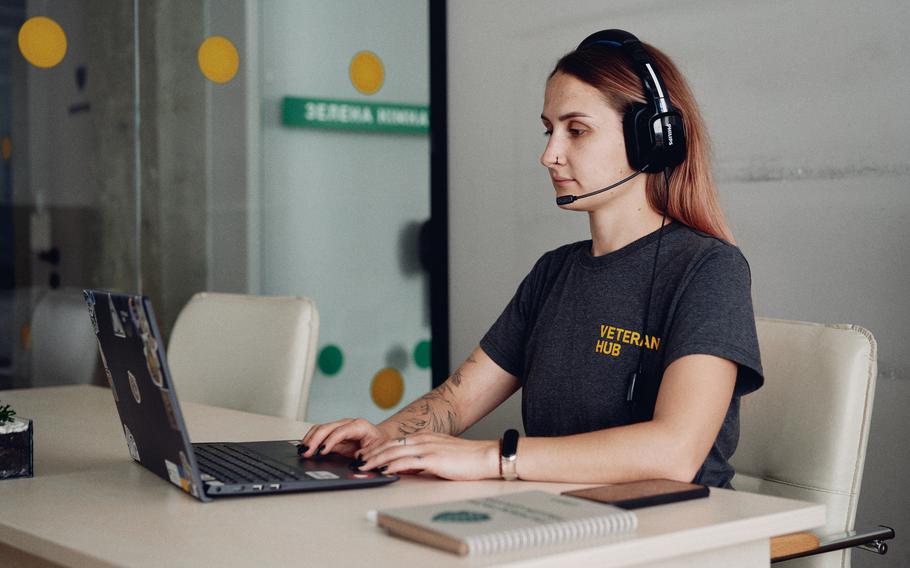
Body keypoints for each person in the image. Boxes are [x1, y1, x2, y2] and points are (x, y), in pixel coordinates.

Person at [301, 30, 763, 489]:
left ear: (650, 140)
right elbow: (457, 402)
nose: (549, 155)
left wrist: (493, 458)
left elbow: (675, 453)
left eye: (576, 130)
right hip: (562, 519)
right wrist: (382, 438)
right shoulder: (554, 272)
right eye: (549, 130)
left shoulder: (709, 270)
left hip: (678, 536)